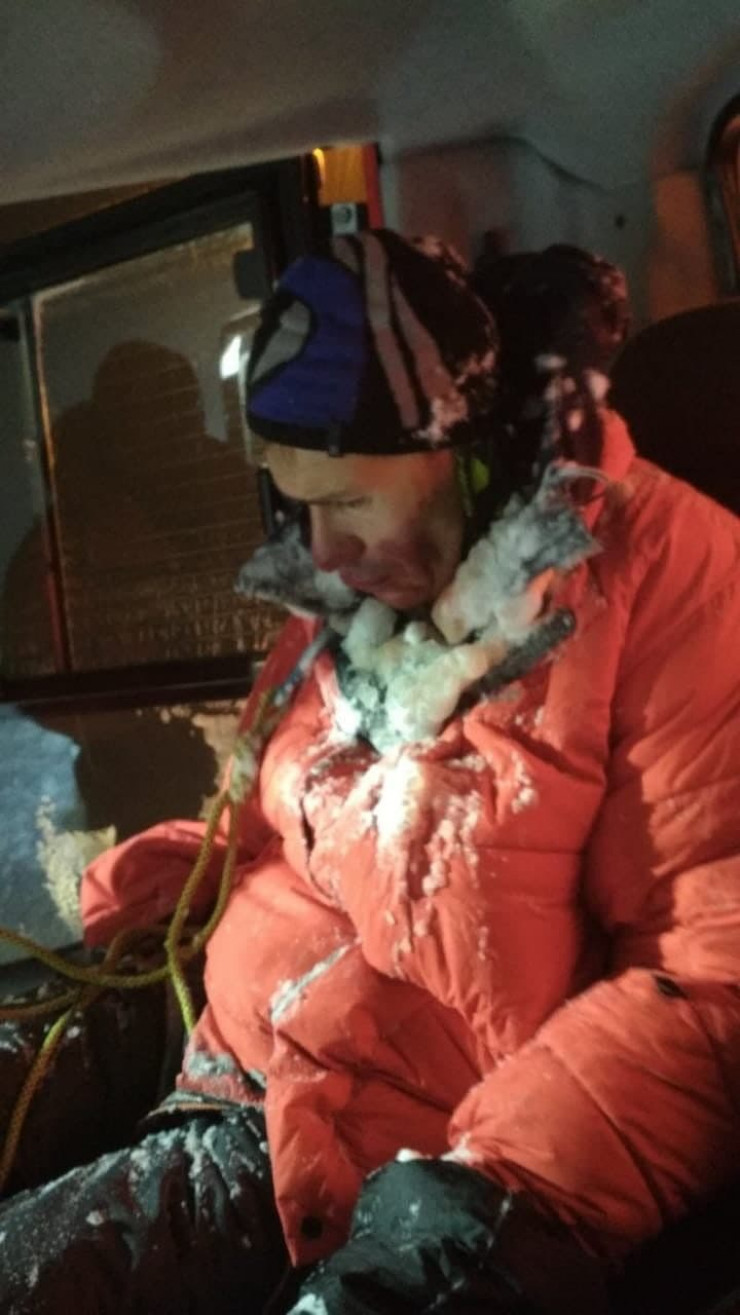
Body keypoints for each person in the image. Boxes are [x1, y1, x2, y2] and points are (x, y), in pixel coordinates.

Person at [0, 228, 739, 1315]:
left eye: (347, 502)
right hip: (216, 1024)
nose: (322, 552)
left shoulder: (669, 582)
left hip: (345, 1120)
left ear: (466, 449)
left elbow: (709, 974)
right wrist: (176, 886)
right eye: (300, 506)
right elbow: (284, 817)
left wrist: (481, 1211)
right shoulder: (360, 595)